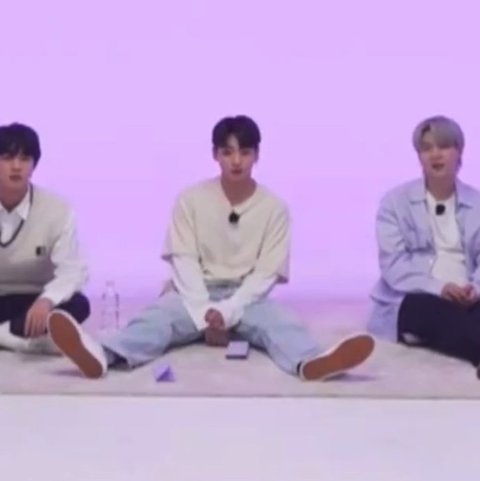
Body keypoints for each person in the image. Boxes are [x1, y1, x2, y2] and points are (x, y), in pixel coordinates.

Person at [48, 115, 374, 380]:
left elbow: (265, 274)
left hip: (247, 297)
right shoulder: (191, 199)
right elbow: (184, 259)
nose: (236, 161)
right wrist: (205, 313)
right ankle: (102, 355)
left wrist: (228, 311)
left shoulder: (274, 208)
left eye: (244, 152)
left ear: (257, 155)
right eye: (227, 152)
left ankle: (310, 363)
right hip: (192, 292)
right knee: (155, 321)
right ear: (215, 155)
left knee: (281, 324)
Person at [368, 115, 480, 373]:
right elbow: (394, 266)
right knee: (431, 311)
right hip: (416, 295)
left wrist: (474, 289)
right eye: (426, 148)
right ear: (419, 156)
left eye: (444, 146)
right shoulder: (395, 203)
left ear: (459, 151)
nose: (435, 155)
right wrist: (441, 288)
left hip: (469, 295)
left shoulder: (477, 204)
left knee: (469, 314)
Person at [0, 122, 90, 354]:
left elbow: (72, 270)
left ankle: (7, 336)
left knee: (79, 305)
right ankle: (20, 339)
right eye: (7, 158)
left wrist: (46, 300)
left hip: (34, 299)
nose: (16, 166)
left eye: (25, 159)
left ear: (34, 165)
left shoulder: (57, 210)